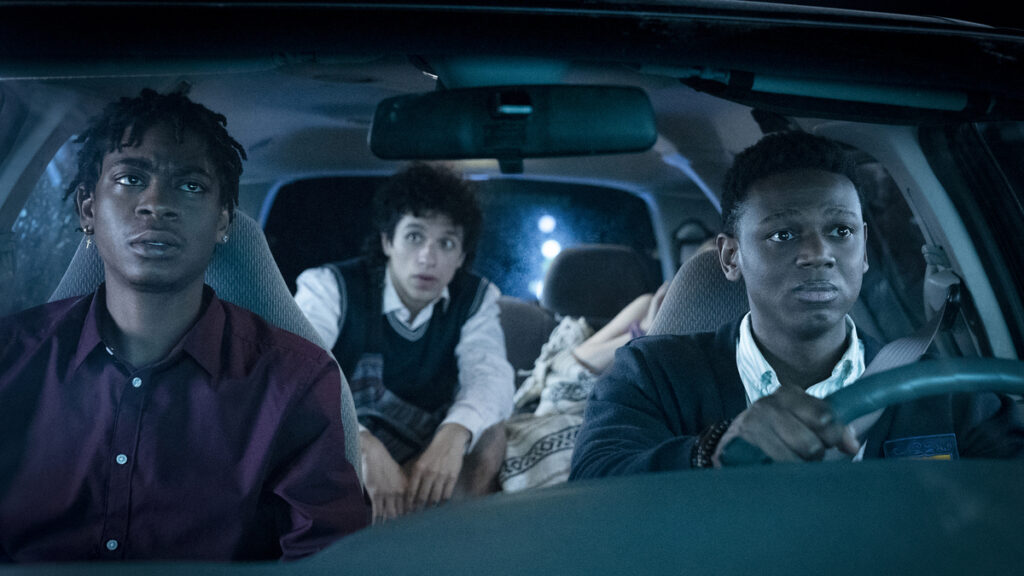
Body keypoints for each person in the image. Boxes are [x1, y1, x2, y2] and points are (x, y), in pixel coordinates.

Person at [0, 89, 370, 562]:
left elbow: (330, 563)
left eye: (190, 185)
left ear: (222, 221)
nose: (157, 204)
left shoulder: (294, 381)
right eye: (131, 178)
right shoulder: (11, 359)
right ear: (88, 210)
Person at [569, 131, 1024, 479]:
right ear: (731, 257)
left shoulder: (939, 390)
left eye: (841, 232)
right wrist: (710, 452)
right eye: (784, 234)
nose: (818, 253)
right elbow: (595, 479)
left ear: (864, 252)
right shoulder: (655, 372)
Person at [294, 163, 514, 522]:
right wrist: (360, 444)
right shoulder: (331, 287)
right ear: (387, 242)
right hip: (342, 443)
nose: (428, 257)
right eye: (414, 236)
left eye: (446, 243)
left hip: (428, 453)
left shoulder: (475, 299)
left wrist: (454, 434)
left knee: (489, 434)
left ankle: (435, 545)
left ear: (460, 257)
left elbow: (490, 375)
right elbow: (296, 374)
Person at [500, 284, 667, 492]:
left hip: (555, 401)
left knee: (646, 304)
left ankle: (641, 333)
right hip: (566, 408)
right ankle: (642, 333)